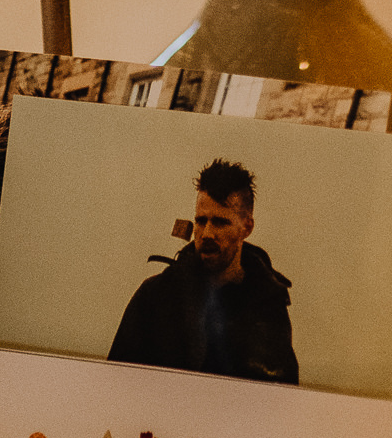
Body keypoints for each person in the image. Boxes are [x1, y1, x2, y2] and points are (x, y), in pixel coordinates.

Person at [108, 159, 299, 383]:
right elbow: (116, 382)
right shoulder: (156, 296)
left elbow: (280, 392)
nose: (207, 233)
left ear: (246, 227)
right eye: (201, 221)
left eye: (220, 222)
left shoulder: (267, 304)